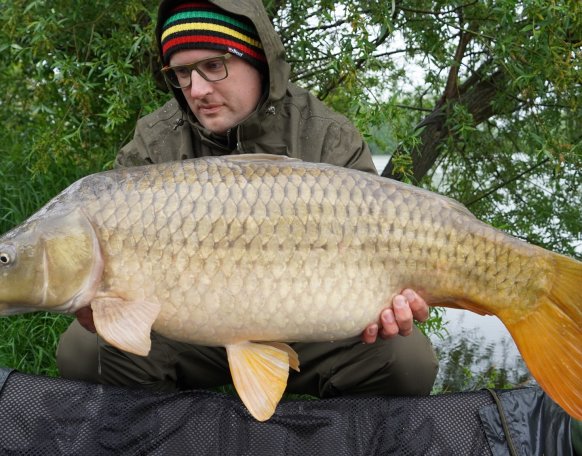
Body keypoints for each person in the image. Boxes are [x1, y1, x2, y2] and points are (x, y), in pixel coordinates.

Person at [57, 0, 438, 400]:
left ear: (256, 60)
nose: (198, 89)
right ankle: (168, 434)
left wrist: (392, 303)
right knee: (85, 352)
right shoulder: (154, 143)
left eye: (214, 66)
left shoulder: (326, 135)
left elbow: (380, 247)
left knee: (406, 361)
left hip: (312, 326)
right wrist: (103, 303)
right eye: (183, 73)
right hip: (188, 326)